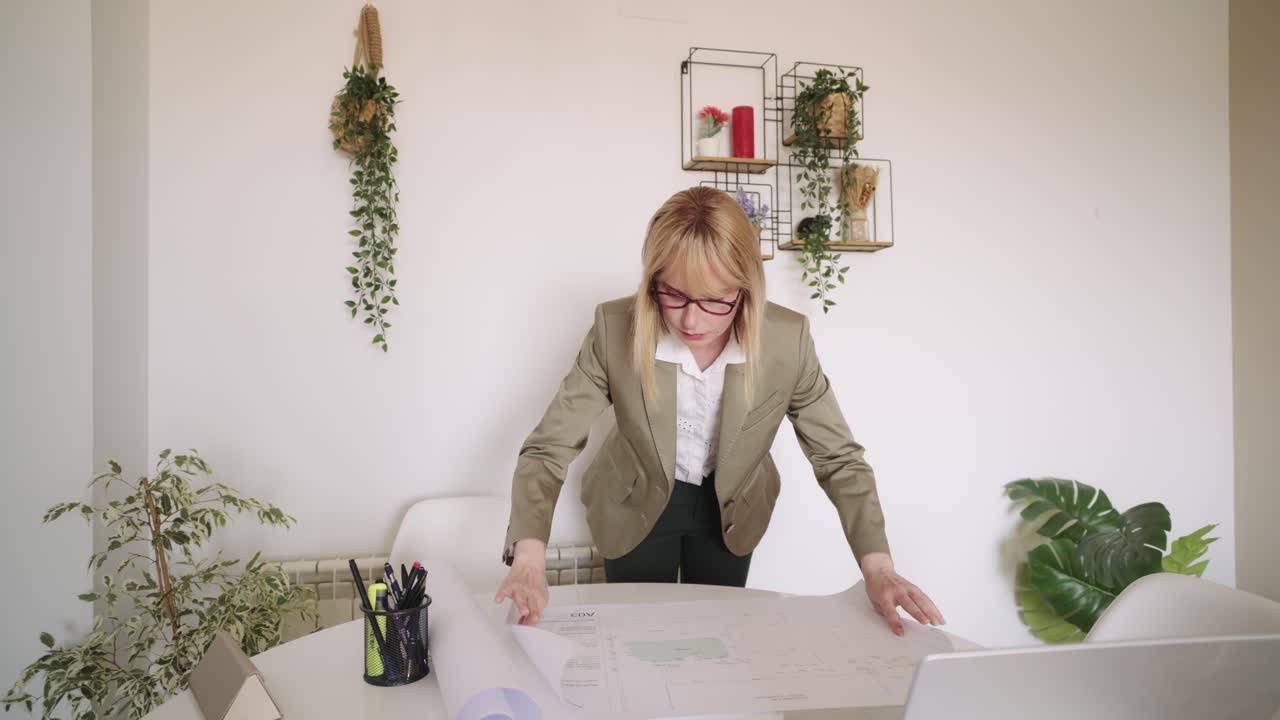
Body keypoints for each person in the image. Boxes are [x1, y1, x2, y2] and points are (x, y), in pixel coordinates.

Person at [495, 186, 944, 636]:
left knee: (718, 641)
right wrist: (530, 558)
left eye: (714, 300)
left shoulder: (788, 341)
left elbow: (839, 458)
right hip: (631, 501)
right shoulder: (615, 330)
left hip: (733, 510)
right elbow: (548, 447)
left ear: (746, 288)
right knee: (635, 641)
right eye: (672, 294)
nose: (691, 321)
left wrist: (878, 568)